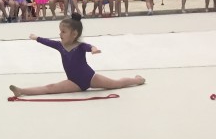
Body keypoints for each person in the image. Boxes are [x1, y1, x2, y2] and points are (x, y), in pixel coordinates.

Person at [9, 15, 146, 97]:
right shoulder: (59, 46)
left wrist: (94, 49)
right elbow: (48, 42)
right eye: (60, 31)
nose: (60, 34)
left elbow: (89, 47)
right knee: (50, 88)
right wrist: (37, 38)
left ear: (74, 34)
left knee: (116, 84)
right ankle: (21, 91)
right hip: (73, 82)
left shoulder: (80, 46)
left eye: (63, 32)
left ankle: (137, 80)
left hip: (91, 78)